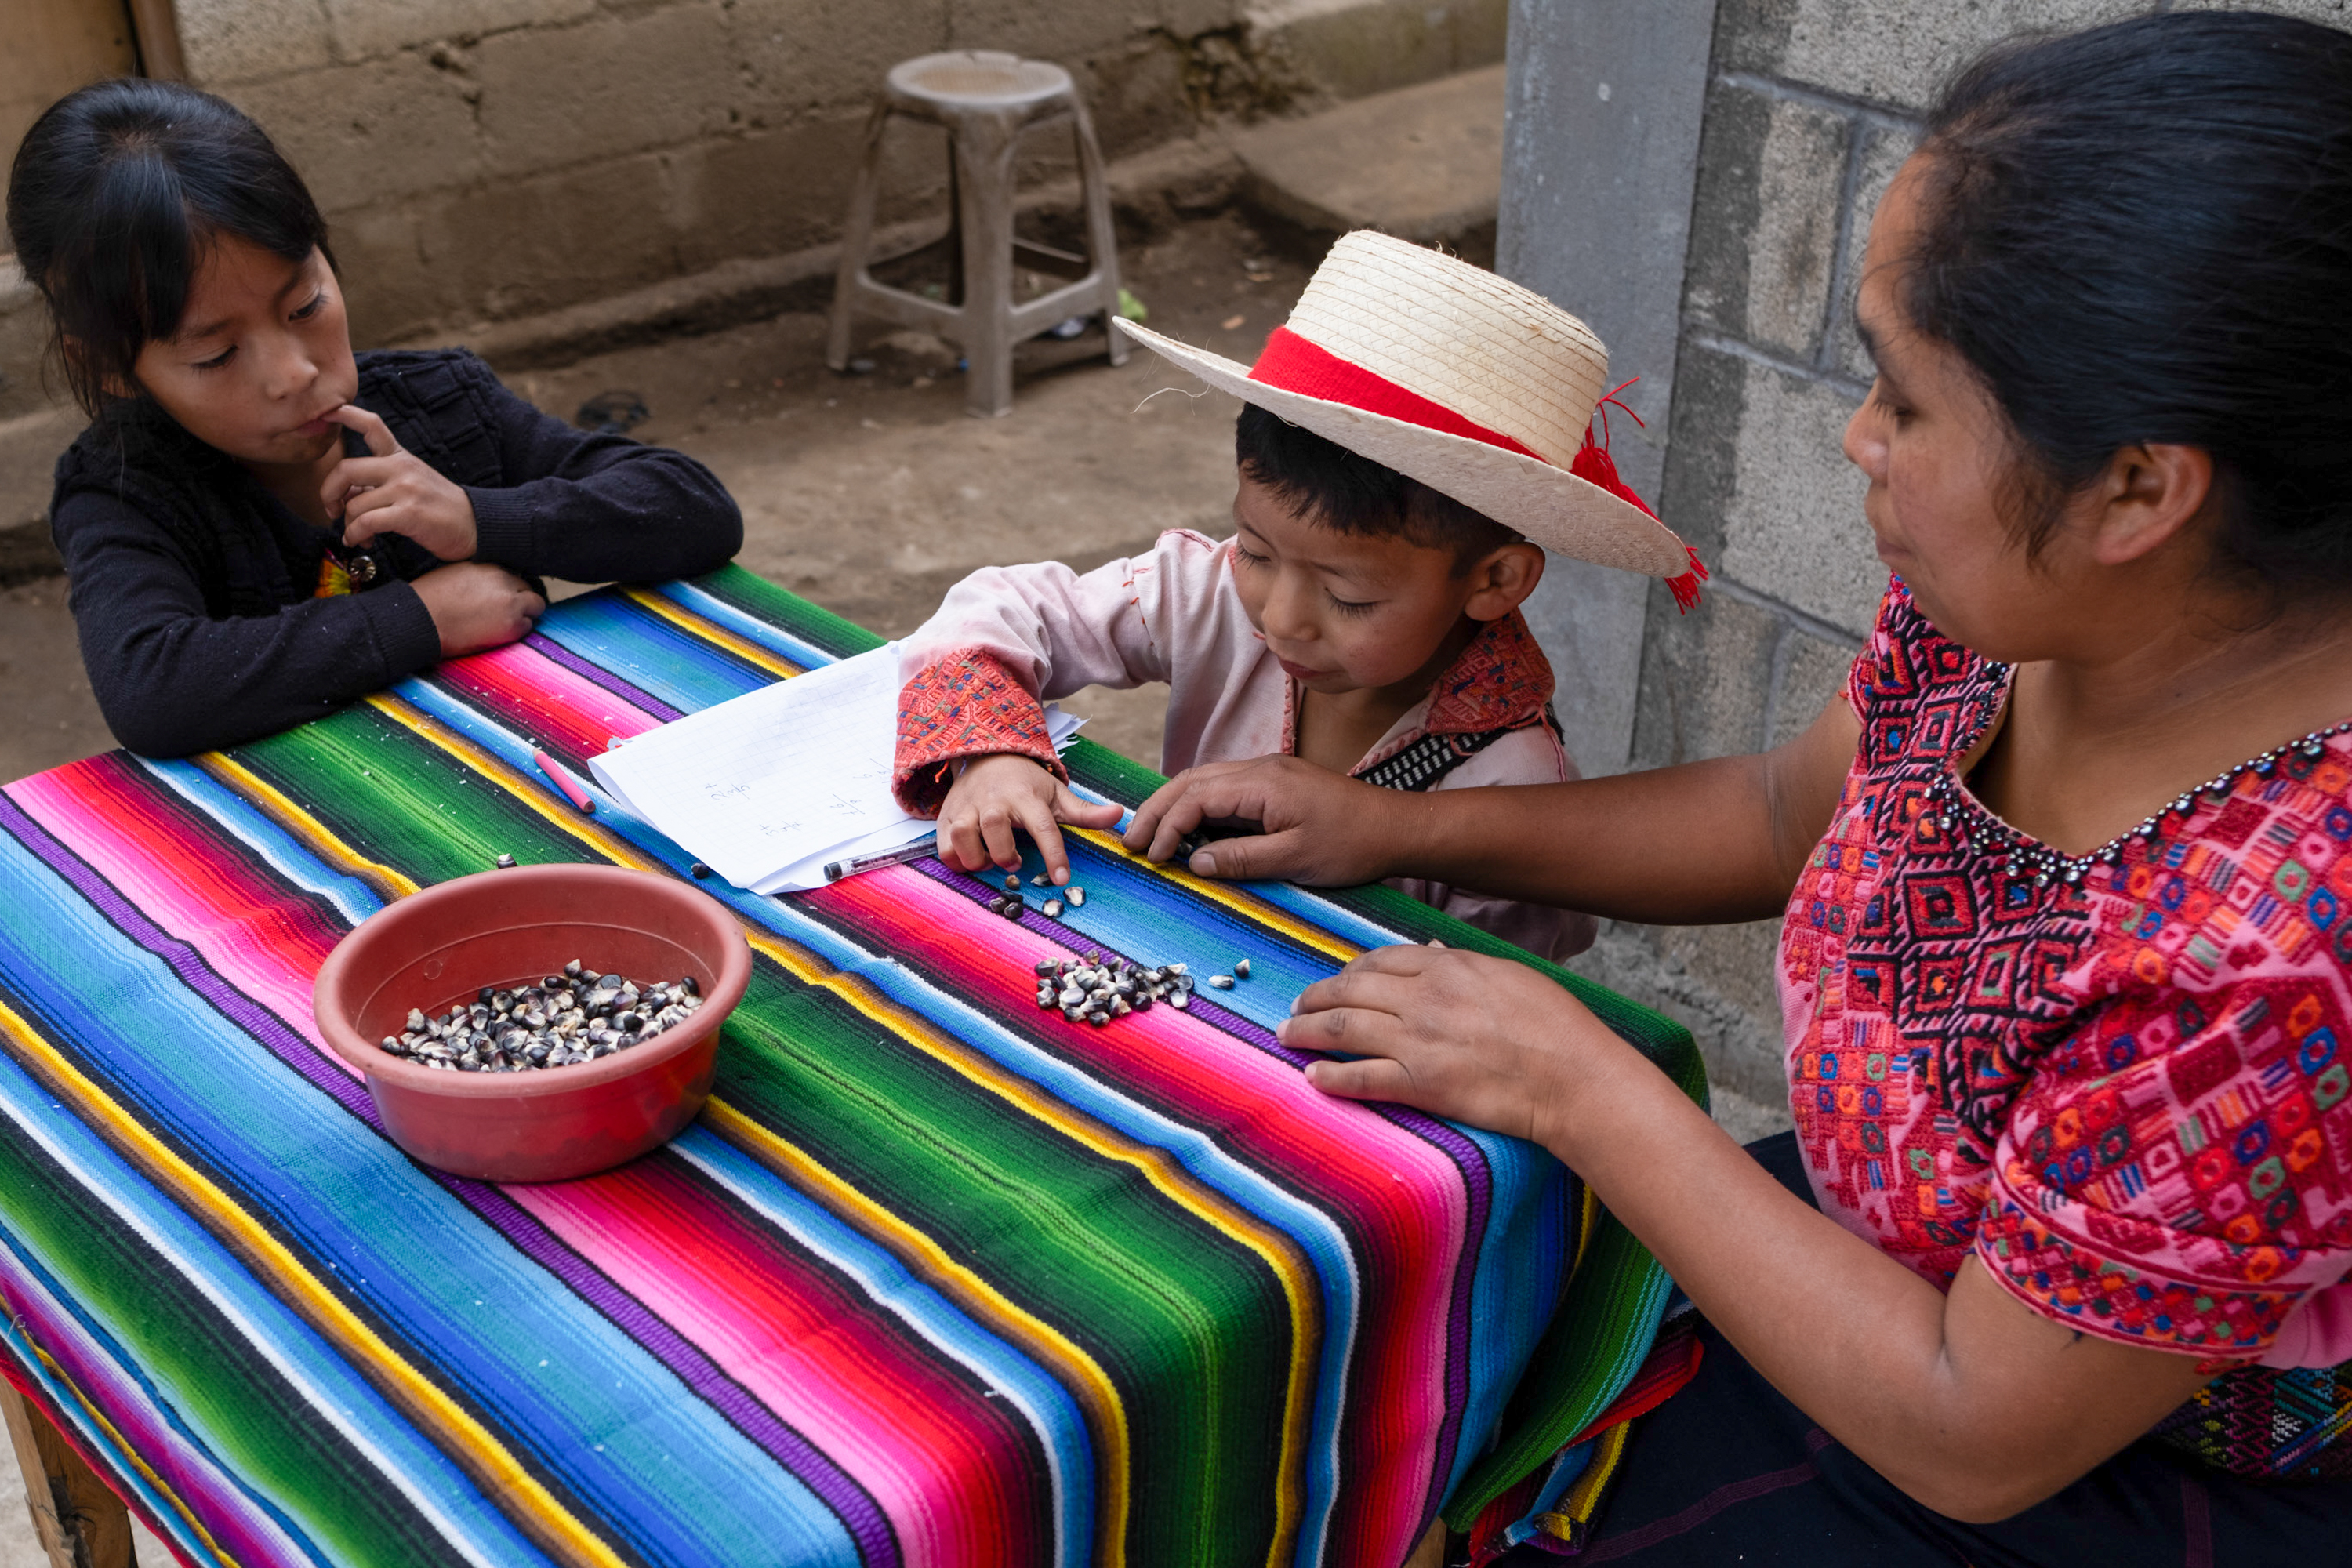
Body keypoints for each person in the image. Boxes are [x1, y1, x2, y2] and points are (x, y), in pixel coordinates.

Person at [1123, 12, 2352, 1561]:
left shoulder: (2283, 954)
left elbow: (1977, 1427)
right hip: (1865, 1248)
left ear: (2137, 490)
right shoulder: (2012, 623)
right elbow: (1790, 815)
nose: (1857, 440)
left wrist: (1587, 1089)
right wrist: (1398, 822)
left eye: (1901, 399)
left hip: (2077, 1460)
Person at [890, 230, 1703, 961]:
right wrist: (993, 751)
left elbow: (1500, 994)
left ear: (1495, 580)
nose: (1280, 618)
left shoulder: (1512, 789)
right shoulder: (1205, 593)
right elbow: (995, 610)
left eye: (1347, 597)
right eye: (1256, 551)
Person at [6, 79, 742, 758]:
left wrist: (477, 517)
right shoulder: (126, 491)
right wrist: (420, 617)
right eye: (219, 352)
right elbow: (154, 690)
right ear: (110, 367)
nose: (294, 371)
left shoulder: (445, 404)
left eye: (305, 307)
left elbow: (692, 507)